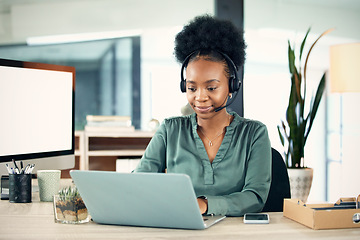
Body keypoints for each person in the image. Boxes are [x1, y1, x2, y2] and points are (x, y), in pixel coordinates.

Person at [134, 15, 271, 217]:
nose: (200, 97)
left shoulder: (254, 133)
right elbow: (139, 182)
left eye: (211, 87)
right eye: (191, 87)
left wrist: (205, 204)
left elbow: (255, 198)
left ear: (232, 86)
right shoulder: (170, 130)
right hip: (180, 229)